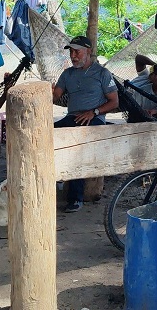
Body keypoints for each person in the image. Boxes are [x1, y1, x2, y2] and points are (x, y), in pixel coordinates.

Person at [51, 35, 119, 213]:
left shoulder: (102, 74)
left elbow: (114, 102)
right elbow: (55, 96)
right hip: (72, 117)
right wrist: (45, 90)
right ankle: (54, 180)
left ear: (88, 52)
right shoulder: (68, 74)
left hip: (94, 119)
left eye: (77, 51)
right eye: (71, 52)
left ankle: (76, 198)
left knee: (77, 148)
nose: (73, 55)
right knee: (47, 136)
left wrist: (94, 112)